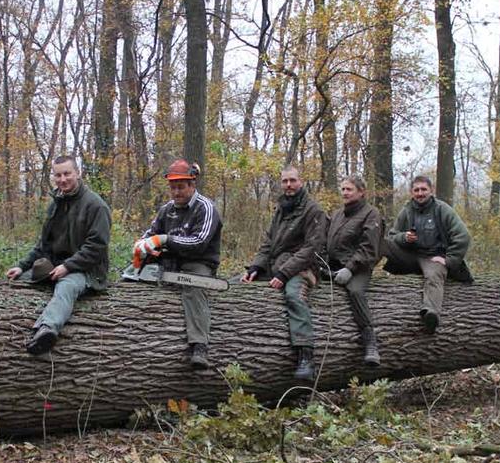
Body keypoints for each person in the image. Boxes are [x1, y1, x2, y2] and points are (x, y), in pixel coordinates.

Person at [6, 154, 111, 355]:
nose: (63, 179)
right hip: (56, 265)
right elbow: (43, 245)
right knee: (22, 280)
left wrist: (68, 267)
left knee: (67, 286)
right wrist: (22, 266)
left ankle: (47, 330)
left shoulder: (96, 206)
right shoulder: (56, 204)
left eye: (67, 174)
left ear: (78, 173)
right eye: (58, 175)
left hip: (87, 270)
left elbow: (96, 247)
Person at [134, 159, 222, 369]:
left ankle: (199, 345)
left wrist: (166, 240)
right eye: (173, 188)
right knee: (138, 274)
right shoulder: (166, 210)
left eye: (181, 187)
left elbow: (199, 242)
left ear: (192, 185)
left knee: (194, 286)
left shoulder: (205, 208)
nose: (176, 192)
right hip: (170, 263)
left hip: (197, 263)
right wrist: (141, 244)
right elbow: (151, 233)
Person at [241, 165, 327, 380]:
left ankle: (306, 355)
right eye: (285, 181)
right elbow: (268, 242)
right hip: (277, 264)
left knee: (293, 296)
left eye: (292, 181)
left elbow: (311, 249)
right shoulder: (281, 209)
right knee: (240, 282)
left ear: (301, 181)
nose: (288, 185)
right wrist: (256, 267)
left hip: (303, 268)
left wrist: (284, 274)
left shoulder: (313, 210)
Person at [385, 175, 473, 333]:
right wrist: (404, 237)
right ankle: (362, 275)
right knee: (383, 244)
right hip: (411, 257)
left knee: (434, 277)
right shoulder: (407, 210)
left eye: (423, 189)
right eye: (416, 190)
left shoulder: (442, 209)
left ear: (431, 191)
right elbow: (392, 236)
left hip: (433, 257)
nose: (420, 193)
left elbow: (463, 235)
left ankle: (431, 314)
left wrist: (449, 259)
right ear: (412, 192)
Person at [326, 177, 383, 366]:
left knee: (355, 291)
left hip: (359, 267)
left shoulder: (371, 214)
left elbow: (369, 248)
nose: (344, 193)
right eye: (342, 189)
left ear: (361, 191)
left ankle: (370, 342)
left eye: (349, 189)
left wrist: (349, 269)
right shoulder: (337, 214)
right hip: (333, 264)